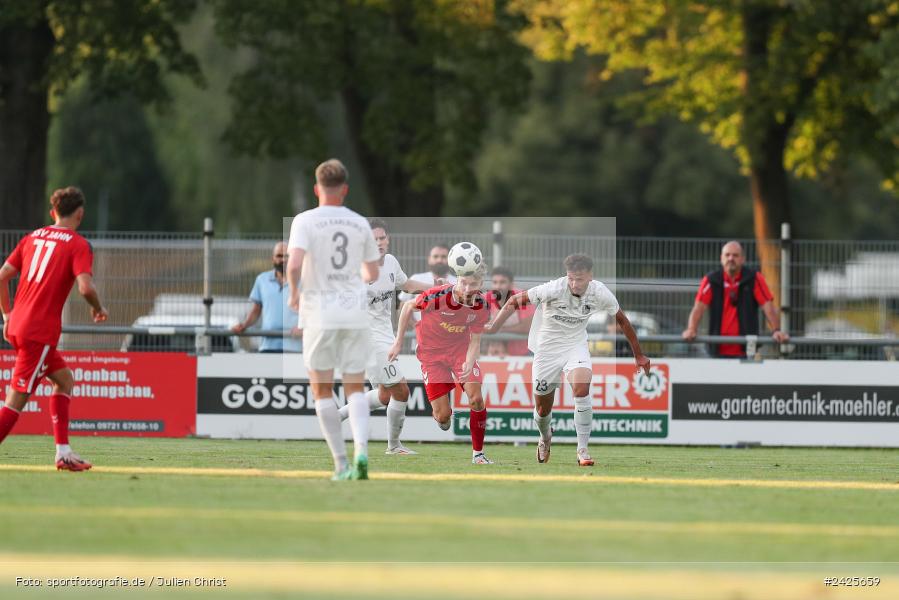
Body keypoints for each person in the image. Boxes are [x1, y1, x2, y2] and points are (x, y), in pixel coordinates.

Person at [486, 254, 650, 467]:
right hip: (546, 349)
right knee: (543, 409)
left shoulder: (600, 292)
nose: (574, 283)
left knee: (581, 389)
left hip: (576, 345)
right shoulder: (553, 289)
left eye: (579, 279)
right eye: (571, 278)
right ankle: (545, 437)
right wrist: (495, 326)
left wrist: (638, 354)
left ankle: (583, 450)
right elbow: (513, 301)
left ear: (590, 276)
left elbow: (623, 321)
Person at [0, 187, 108, 470]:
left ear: (53, 212)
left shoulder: (32, 237)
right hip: (39, 332)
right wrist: (97, 307)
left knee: (64, 381)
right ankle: (62, 453)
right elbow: (85, 287)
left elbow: (2, 276)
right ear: (80, 214)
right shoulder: (77, 244)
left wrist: (7, 315)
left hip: (19, 325)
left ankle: (63, 453)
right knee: (15, 401)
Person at [286, 159, 380, 481]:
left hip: (320, 313)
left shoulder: (305, 220)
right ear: (345, 189)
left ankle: (341, 464)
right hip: (354, 311)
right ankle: (363, 452)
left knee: (322, 389)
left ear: (316, 189)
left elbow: (295, 263)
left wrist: (294, 293)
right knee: (355, 387)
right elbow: (372, 273)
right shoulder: (358, 223)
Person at [337, 218, 430, 455]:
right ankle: (394, 446)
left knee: (386, 395)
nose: (379, 243)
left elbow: (406, 283)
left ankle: (335, 417)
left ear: (388, 240)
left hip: (384, 336)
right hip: (366, 340)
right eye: (373, 239)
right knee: (401, 390)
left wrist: (433, 288)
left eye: (382, 238)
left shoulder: (390, 262)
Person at [388, 267, 493, 465]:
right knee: (443, 417)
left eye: (473, 284)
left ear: (480, 285)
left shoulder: (482, 305)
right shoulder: (439, 295)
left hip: (459, 351)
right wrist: (398, 342)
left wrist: (470, 360)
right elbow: (408, 307)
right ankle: (442, 416)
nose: (467, 288)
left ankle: (478, 455)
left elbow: (476, 340)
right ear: (458, 280)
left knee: (477, 399)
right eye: (463, 282)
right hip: (431, 355)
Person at [682, 241, 789, 357]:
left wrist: (776, 330)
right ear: (721, 258)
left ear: (743, 259)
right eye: (727, 255)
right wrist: (691, 329)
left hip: (747, 349)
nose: (731, 258)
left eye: (735, 255)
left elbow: (768, 307)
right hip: (717, 349)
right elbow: (698, 308)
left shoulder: (754, 278)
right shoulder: (710, 280)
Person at [232, 242, 302, 353]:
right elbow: (256, 310)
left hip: (295, 346)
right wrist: (244, 325)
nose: (283, 259)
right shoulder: (262, 280)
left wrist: (304, 329)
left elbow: (313, 311)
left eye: (287, 256)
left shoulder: (304, 281)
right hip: (269, 346)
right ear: (272, 259)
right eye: (279, 256)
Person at [485, 266, 535, 356]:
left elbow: (527, 327)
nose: (498, 286)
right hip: (493, 353)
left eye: (502, 282)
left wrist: (498, 328)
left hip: (523, 353)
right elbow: (478, 324)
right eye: (495, 282)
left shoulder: (522, 298)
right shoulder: (486, 298)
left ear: (511, 284)